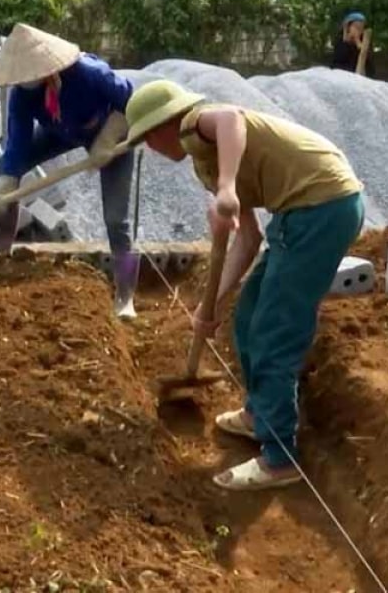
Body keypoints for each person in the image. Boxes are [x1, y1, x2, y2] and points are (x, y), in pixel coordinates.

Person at [123, 79, 365, 492]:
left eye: (147, 137)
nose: (150, 147)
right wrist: (210, 305)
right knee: (249, 314)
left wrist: (228, 188)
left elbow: (233, 118)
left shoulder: (196, 125)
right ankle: (259, 415)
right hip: (299, 215)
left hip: (321, 210)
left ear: (163, 125)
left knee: (274, 332)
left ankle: (279, 459)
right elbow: (248, 239)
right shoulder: (204, 160)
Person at [0, 23, 139, 320]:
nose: (25, 83)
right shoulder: (23, 95)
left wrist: (108, 138)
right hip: (62, 131)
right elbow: (17, 143)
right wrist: (4, 188)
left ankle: (125, 294)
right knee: (5, 167)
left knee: (116, 221)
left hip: (110, 131)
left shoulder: (89, 73)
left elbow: (131, 101)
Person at [331, 12, 375, 77]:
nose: (359, 30)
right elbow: (338, 62)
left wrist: (357, 42)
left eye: (361, 28)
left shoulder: (364, 42)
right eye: (356, 27)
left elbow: (368, 66)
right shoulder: (340, 42)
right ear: (348, 27)